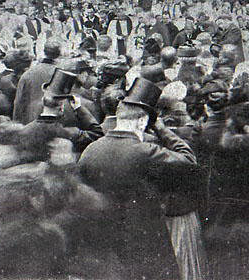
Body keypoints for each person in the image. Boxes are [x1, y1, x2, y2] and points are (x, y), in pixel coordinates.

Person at [75, 78, 199, 279]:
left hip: (103, 243)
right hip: (143, 242)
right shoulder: (145, 151)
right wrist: (161, 129)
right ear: (142, 121)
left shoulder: (91, 149)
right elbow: (189, 160)